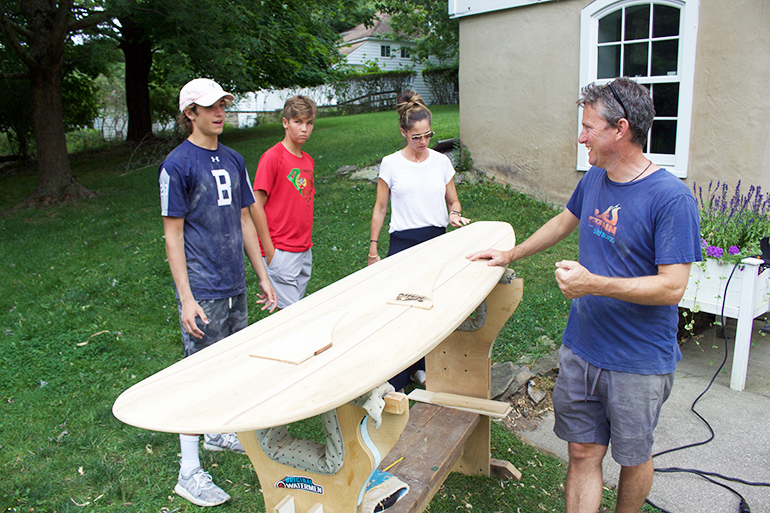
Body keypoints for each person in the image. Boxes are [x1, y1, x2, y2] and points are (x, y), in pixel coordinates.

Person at [468, 77, 701, 513]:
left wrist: (593, 283)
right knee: (581, 453)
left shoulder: (671, 199)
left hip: (638, 362)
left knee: (634, 458)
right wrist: (508, 253)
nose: (581, 137)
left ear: (620, 129)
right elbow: (564, 221)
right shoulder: (596, 177)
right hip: (582, 349)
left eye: (588, 127)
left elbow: (672, 287)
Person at [159, 78, 277, 507]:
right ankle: (187, 472)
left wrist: (261, 274)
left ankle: (217, 432)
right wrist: (187, 298)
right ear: (190, 113)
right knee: (199, 376)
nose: (220, 112)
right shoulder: (177, 165)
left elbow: (246, 220)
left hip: (234, 285)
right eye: (209, 107)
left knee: (231, 367)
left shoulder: (233, 158)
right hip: (203, 289)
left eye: (223, 104)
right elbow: (172, 237)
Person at [369, 90, 470, 391]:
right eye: (416, 137)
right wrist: (373, 248)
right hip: (402, 242)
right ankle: (397, 378)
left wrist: (454, 214)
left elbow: (454, 200)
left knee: (431, 308)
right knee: (401, 312)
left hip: (435, 241)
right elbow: (380, 208)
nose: (423, 142)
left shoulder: (440, 162)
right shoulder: (390, 164)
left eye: (428, 135)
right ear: (403, 132)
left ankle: (422, 368)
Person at [250, 96, 317, 310]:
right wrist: (270, 252)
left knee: (287, 317)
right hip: (281, 250)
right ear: (285, 122)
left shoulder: (308, 160)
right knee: (294, 318)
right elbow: (255, 205)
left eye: (309, 123)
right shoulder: (273, 157)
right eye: (298, 122)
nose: (304, 128)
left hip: (304, 249)